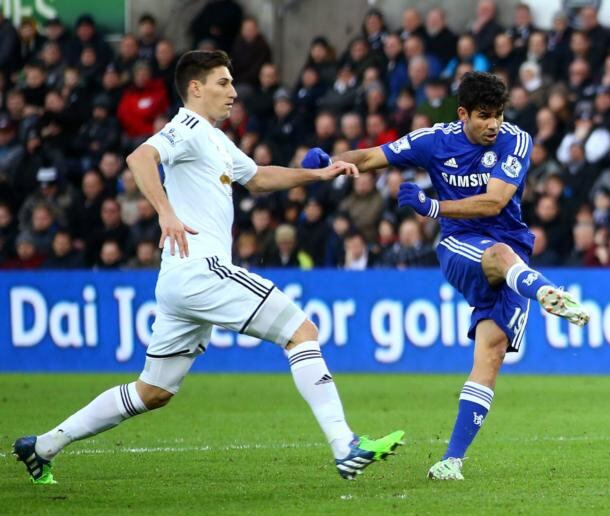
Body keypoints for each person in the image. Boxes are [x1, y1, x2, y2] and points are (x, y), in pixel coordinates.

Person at [13, 50, 403, 485]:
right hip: (203, 269)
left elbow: (257, 177)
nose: (233, 92)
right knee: (302, 332)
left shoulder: (215, 140)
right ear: (195, 88)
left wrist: (317, 176)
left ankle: (42, 445)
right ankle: (344, 445)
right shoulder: (188, 127)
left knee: (153, 391)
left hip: (179, 281)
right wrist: (164, 211)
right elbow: (140, 159)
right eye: (223, 82)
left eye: (233, 82)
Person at [302, 71, 591, 480]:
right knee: (499, 254)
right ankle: (546, 290)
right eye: (485, 116)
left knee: (490, 354)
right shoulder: (433, 141)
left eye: (499, 115)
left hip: (510, 256)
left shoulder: (516, 140)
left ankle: (451, 461)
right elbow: (372, 157)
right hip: (461, 247)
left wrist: (432, 206)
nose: (494, 124)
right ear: (463, 114)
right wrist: (330, 165)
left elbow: (494, 202)